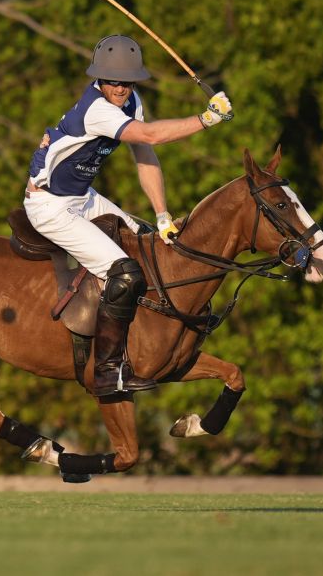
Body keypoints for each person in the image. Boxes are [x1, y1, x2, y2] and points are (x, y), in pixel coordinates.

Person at [24, 35, 233, 396]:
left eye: (127, 81)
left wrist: (163, 214)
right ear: (100, 79)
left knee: (152, 243)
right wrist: (206, 119)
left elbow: (144, 155)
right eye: (113, 80)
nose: (120, 88)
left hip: (82, 197)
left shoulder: (131, 101)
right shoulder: (97, 110)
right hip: (49, 206)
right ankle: (108, 371)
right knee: (124, 271)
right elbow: (150, 136)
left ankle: (157, 334)